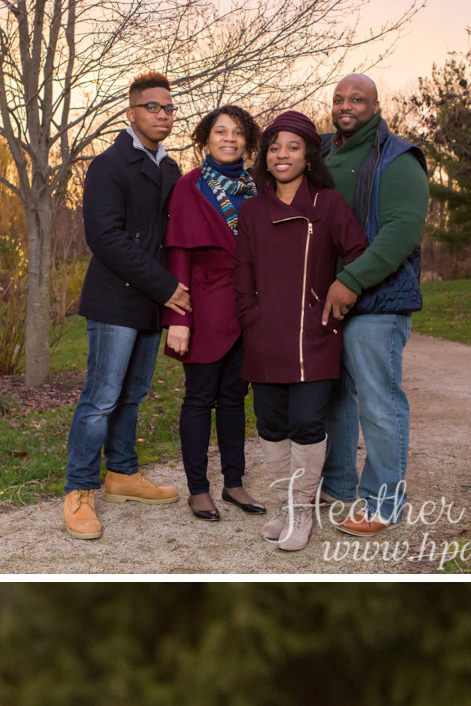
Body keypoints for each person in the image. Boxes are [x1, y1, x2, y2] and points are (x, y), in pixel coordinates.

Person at [63, 71, 191, 540]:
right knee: (101, 397)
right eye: (153, 107)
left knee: (133, 394)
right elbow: (105, 238)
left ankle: (121, 473)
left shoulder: (170, 169)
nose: (163, 115)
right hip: (116, 300)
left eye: (169, 108)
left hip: (150, 304)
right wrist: (166, 287)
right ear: (131, 112)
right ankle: (79, 490)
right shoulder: (108, 165)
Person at [233, 111, 368, 551]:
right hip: (265, 333)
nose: (282, 154)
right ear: (265, 157)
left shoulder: (328, 204)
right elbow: (242, 270)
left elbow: (359, 252)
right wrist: (250, 314)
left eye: (292, 147)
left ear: (309, 155)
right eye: (274, 147)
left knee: (307, 423)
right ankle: (284, 506)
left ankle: (303, 511)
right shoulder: (253, 209)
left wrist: (341, 290)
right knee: (271, 424)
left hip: (314, 334)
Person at [319, 73, 430, 535]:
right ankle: (338, 485)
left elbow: (402, 232)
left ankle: (383, 503)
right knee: (335, 398)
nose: (346, 106)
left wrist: (351, 280)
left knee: (378, 403)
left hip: (378, 300)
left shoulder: (398, 158)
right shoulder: (322, 152)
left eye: (357, 99)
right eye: (339, 99)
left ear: (376, 106)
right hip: (329, 298)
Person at [162, 104, 265, 521]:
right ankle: (198, 489)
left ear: (248, 141)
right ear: (206, 138)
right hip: (204, 310)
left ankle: (234, 483)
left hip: (248, 312)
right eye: (221, 131)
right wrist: (178, 320)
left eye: (237, 132)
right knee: (199, 399)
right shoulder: (190, 187)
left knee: (235, 400)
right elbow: (179, 255)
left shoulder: (257, 188)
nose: (229, 139)